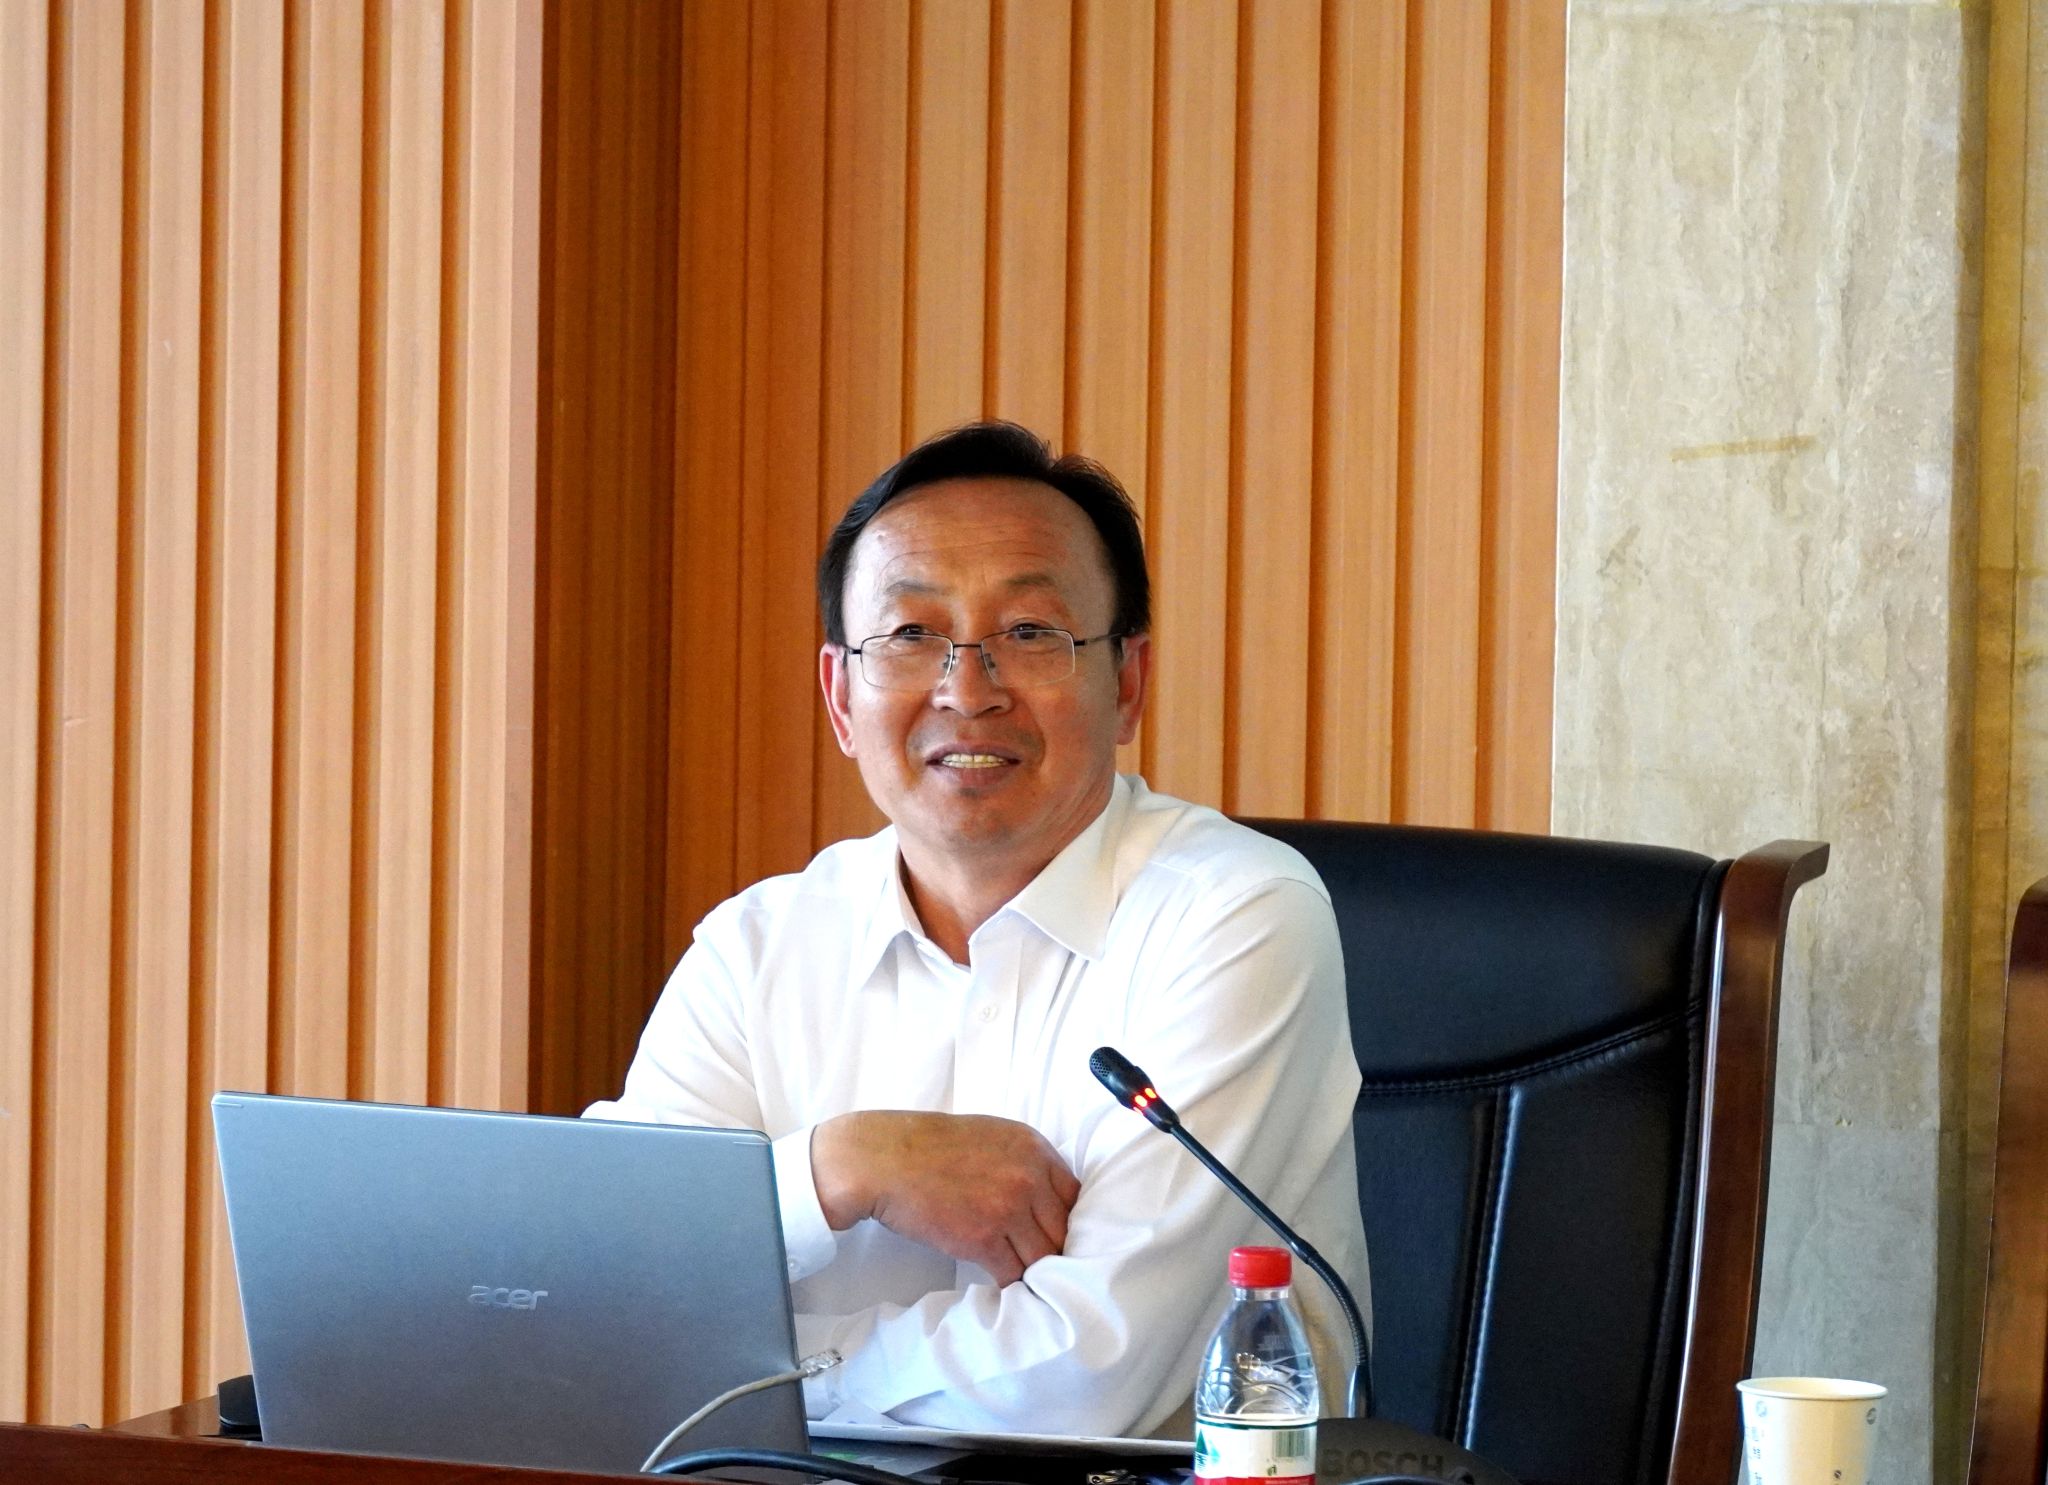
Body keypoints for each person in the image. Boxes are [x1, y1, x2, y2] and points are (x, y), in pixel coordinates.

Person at [586, 421, 1369, 1438]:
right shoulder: (756, 950)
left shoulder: (1235, 915)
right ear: (840, 696)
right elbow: (606, 1291)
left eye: (1030, 633)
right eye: (911, 635)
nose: (967, 689)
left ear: (1127, 684)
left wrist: (754, 1373)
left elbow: (1085, 1379)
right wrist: (840, 1167)